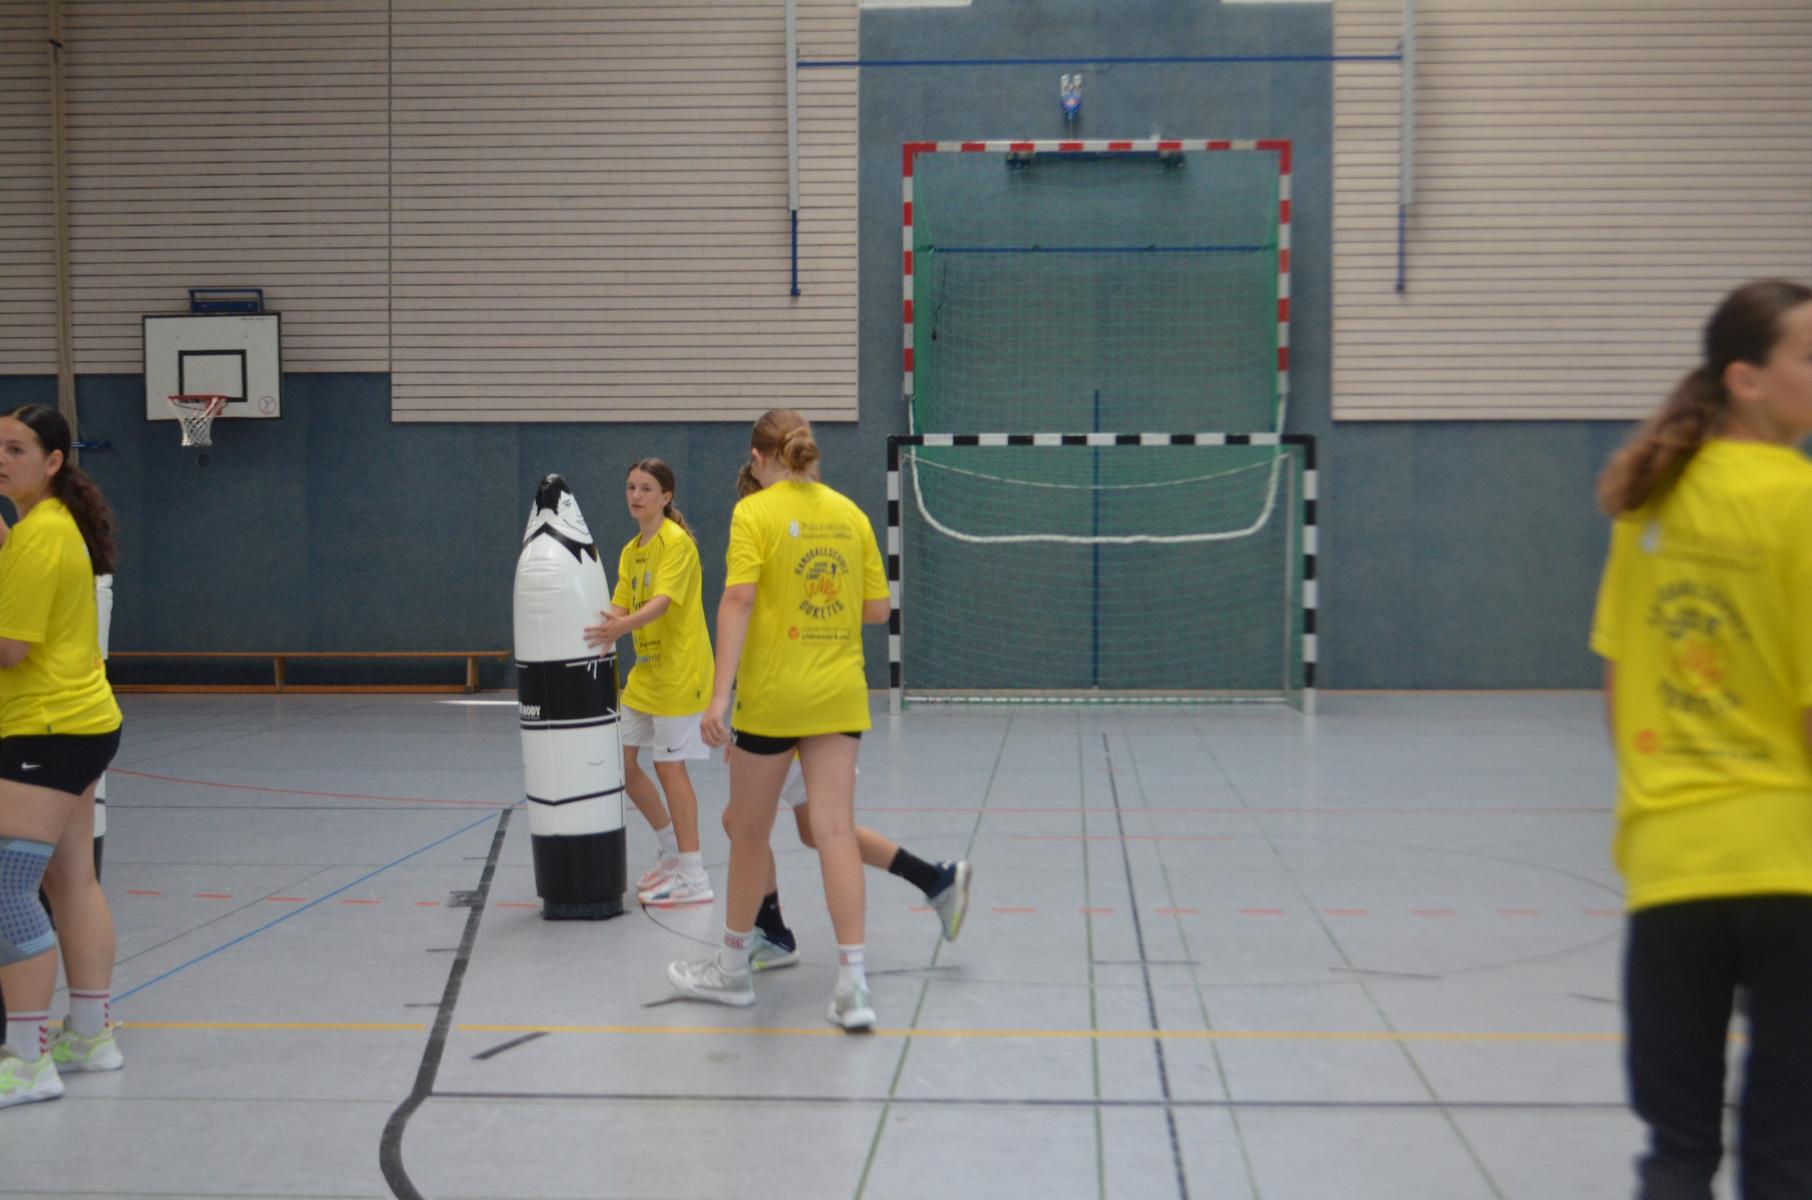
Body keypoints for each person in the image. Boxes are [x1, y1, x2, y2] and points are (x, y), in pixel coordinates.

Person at [1591, 279, 1812, 1199]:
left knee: (1677, 1150)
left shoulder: (1650, 497)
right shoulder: (1801, 502)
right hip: (1789, 863)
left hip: (1669, 864)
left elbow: (1618, 686)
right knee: (1788, 1156)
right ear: (1746, 379)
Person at [669, 410, 887, 1031]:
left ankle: (732, 971)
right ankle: (853, 987)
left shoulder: (753, 513)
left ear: (758, 458)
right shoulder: (851, 514)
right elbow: (877, 608)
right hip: (839, 693)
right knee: (834, 830)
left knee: (749, 833)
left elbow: (738, 599)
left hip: (773, 696)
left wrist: (719, 698)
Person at [725, 463, 972, 969]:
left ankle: (773, 933)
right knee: (820, 829)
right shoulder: (817, 524)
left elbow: (749, 619)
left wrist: (731, 712)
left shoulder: (763, 531)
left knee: (756, 825)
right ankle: (934, 879)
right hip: (818, 700)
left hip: (789, 706)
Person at [0, 405, 126, 1109]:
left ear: (52, 462)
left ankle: (27, 1060)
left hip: (43, 733)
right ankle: (90, 1035)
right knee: (72, 880)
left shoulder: (41, 536)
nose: (1, 458)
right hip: (83, 724)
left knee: (5, 888)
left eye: (16, 449)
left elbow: (10, 648)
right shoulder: (44, 527)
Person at [584, 459, 714, 906]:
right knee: (620, 764)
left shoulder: (676, 544)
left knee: (669, 767)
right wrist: (597, 632)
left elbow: (661, 603)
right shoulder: (630, 551)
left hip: (681, 672)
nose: (636, 496)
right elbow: (619, 605)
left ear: (666, 497)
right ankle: (672, 851)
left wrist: (619, 629)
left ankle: (695, 875)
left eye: (646, 488)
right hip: (647, 675)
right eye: (630, 487)